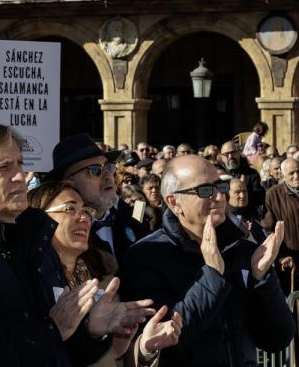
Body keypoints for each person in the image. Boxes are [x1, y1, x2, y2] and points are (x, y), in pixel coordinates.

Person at [0, 125, 145, 366]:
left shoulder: (34, 242)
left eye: (20, 163)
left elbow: (61, 347)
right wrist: (52, 330)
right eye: (4, 167)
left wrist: (91, 332)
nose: (20, 175)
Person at [119, 155, 294, 366]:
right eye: (205, 190)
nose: (219, 197)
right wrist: (212, 275)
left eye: (220, 186)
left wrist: (262, 278)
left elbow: (278, 338)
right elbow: (164, 343)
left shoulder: (241, 248)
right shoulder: (146, 256)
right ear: (174, 202)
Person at [28, 181, 183, 366]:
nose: (84, 217)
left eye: (86, 211)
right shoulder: (28, 281)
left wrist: (144, 348)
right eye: (70, 208)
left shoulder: (103, 271)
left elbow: (115, 358)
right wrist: (89, 335)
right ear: (38, 217)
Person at [48, 133, 145, 265]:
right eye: (95, 170)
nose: (108, 176)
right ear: (68, 181)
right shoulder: (56, 236)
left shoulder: (132, 222)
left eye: (109, 166)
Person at [263, 158, 299, 292]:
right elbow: (268, 230)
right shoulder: (273, 195)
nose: (297, 176)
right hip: (290, 261)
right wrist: (280, 255)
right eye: (292, 173)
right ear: (283, 175)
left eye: (298, 171)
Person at [219, 140, 265, 217]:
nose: (230, 156)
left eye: (233, 152)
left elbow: (259, 199)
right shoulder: (217, 174)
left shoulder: (251, 174)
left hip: (246, 218)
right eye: (226, 154)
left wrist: (244, 189)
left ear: (239, 153)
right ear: (222, 157)